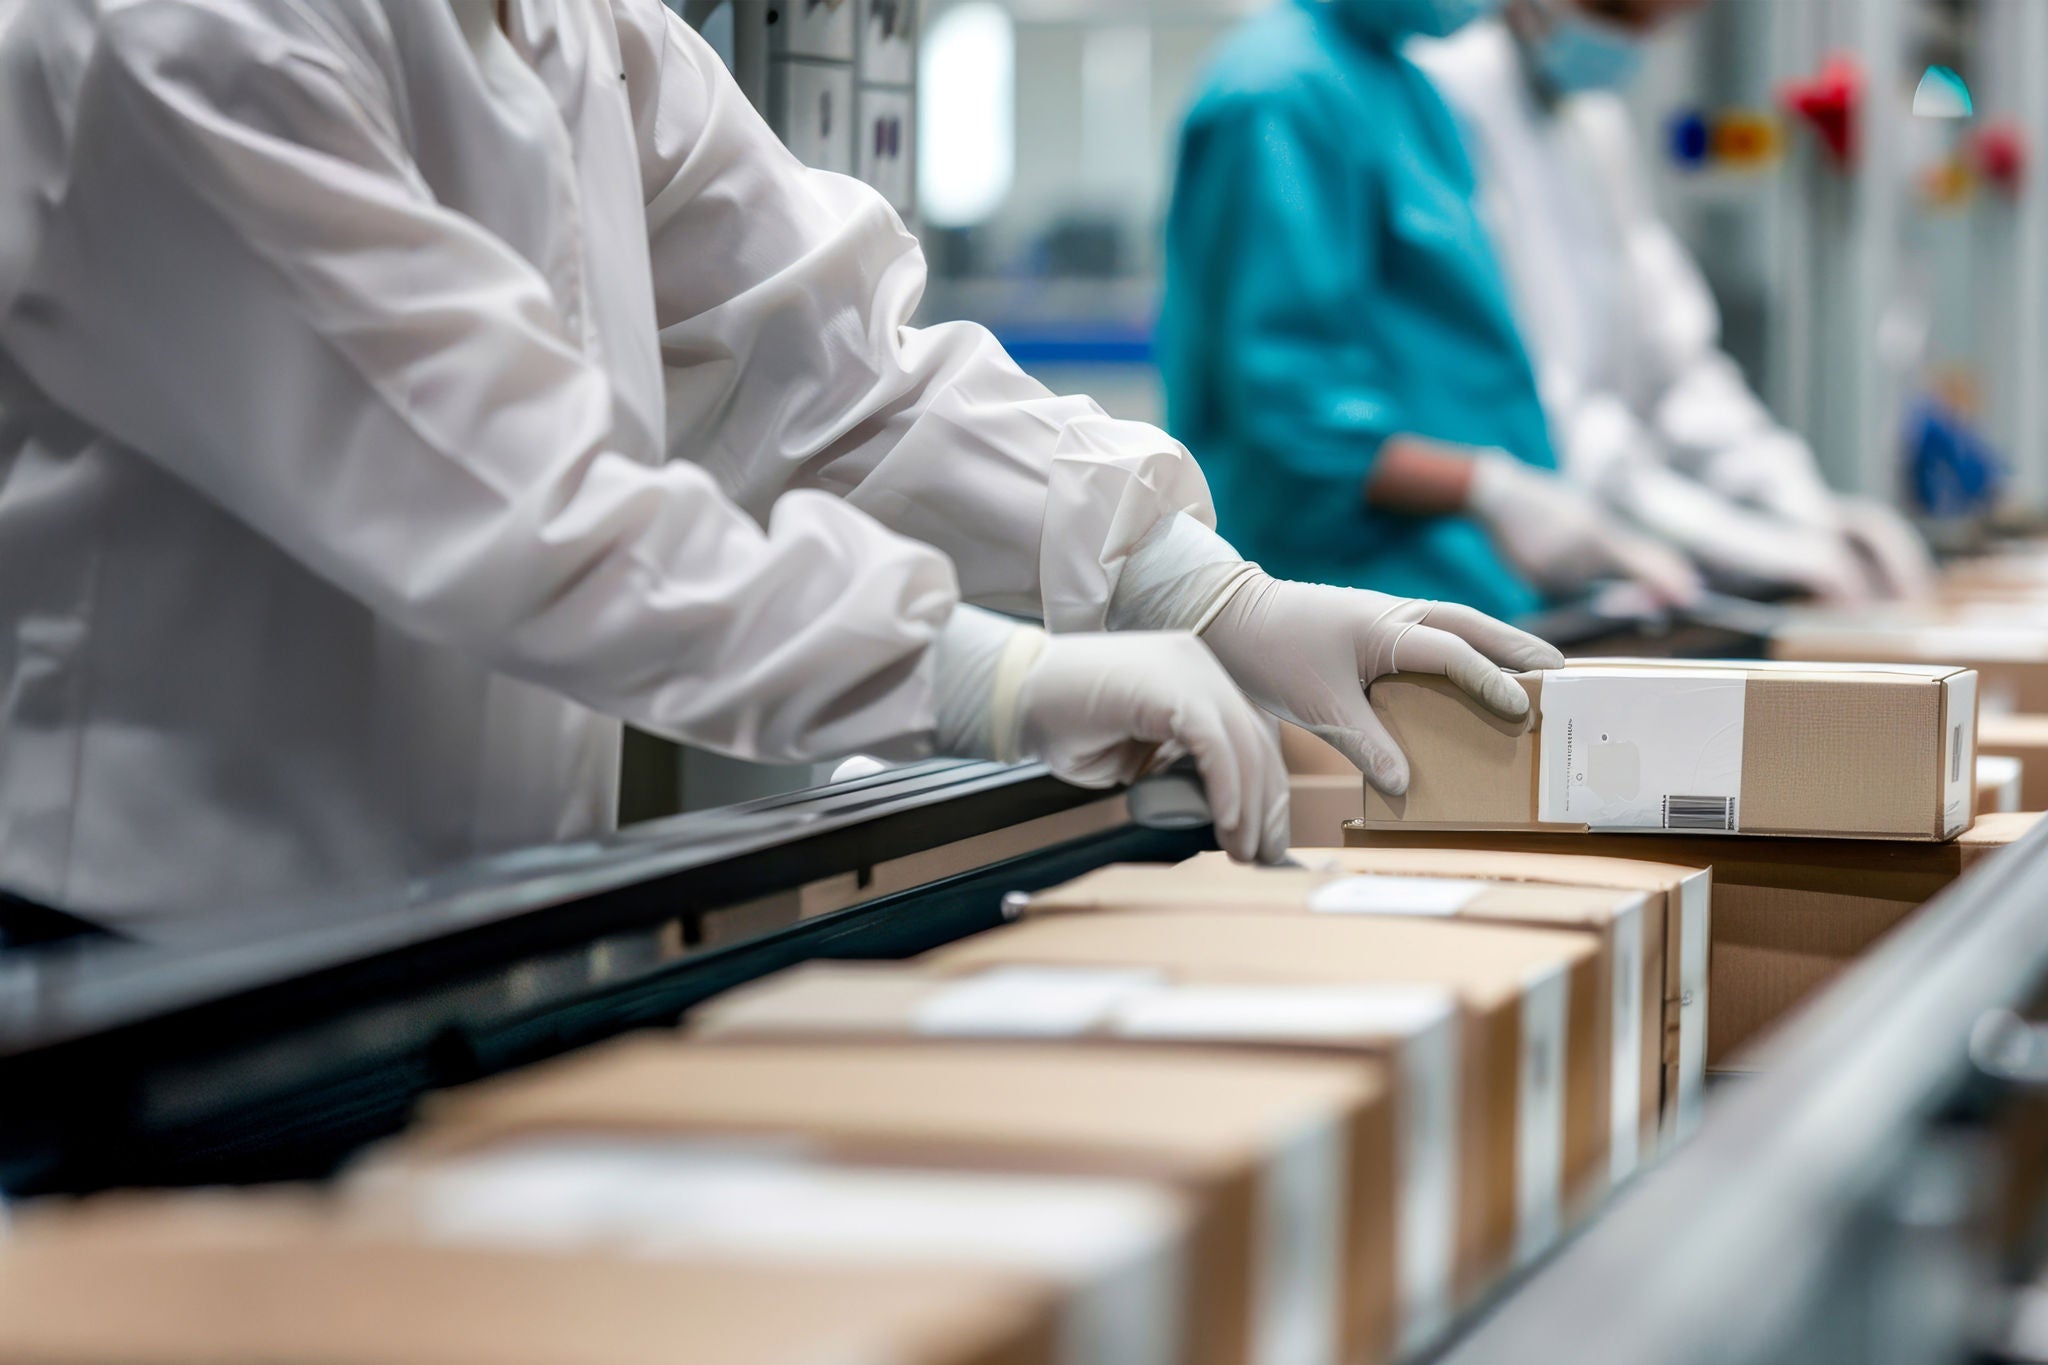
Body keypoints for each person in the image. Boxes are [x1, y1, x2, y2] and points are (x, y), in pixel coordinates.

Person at [0, 0, 1560, 945]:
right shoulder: (170, 33)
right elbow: (525, 512)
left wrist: (1193, 583)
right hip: (145, 965)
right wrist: (978, 677)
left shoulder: (577, 27)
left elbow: (838, 366)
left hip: (451, 934)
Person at [1159, 0, 1700, 629]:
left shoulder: (1406, 89)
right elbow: (1297, 418)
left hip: (1459, 594)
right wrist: (1487, 489)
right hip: (1335, 607)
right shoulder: (1277, 95)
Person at [1413, 0, 1937, 603]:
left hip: (1595, 554)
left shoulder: (1594, 123)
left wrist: (1801, 507)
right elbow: (1540, 401)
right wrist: (1739, 541)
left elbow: (1675, 364)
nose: (1631, 40)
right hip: (1477, 564)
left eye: (1654, 23)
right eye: (1615, 13)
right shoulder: (1447, 97)